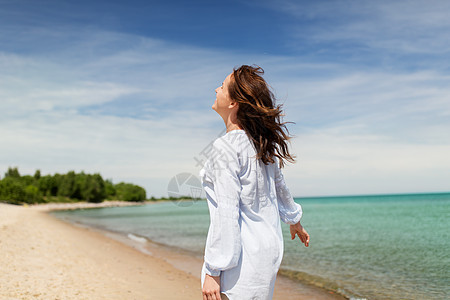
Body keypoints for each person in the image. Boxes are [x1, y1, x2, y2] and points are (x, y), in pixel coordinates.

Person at [200, 65, 310, 300]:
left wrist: (213, 270)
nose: (216, 89)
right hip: (266, 255)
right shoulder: (260, 146)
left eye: (222, 86)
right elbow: (280, 187)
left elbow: (226, 212)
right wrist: (294, 220)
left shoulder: (225, 147)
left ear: (233, 103)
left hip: (240, 265)